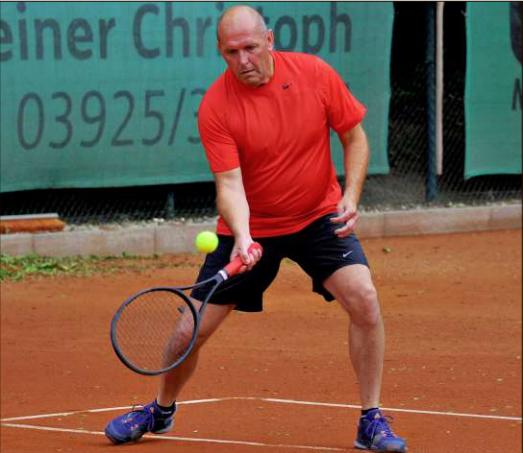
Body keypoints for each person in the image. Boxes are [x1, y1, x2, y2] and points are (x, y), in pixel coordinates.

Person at [105, 5, 407, 452]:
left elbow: (354, 135)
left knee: (364, 298)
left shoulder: (314, 74)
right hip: (252, 225)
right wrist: (244, 236)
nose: (243, 60)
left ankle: (370, 419)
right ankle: (161, 410)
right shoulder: (216, 106)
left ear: (269, 40)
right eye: (232, 52)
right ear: (220, 52)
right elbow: (229, 184)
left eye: (250, 47)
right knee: (189, 331)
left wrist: (351, 195)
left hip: (318, 215)